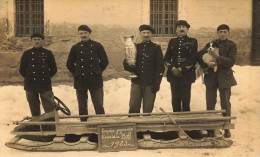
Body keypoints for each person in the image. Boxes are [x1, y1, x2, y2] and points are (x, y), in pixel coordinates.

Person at [198, 24, 237, 138]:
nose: (222, 34)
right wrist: (206, 63)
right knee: (210, 103)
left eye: (225, 32)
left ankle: (226, 127)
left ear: (229, 33)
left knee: (225, 103)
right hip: (211, 76)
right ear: (217, 33)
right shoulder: (211, 43)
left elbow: (231, 62)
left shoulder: (232, 45)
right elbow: (199, 55)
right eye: (220, 32)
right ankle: (211, 128)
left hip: (225, 77)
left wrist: (217, 56)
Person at [66, 25, 109, 121]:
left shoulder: (97, 46)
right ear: (78, 34)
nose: (83, 35)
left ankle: (101, 123)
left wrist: (97, 71)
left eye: (85, 33)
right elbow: (69, 64)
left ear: (89, 33)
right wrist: (77, 73)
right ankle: (83, 125)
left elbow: (105, 61)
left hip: (95, 79)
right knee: (82, 106)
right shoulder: (75, 48)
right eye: (81, 33)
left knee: (98, 104)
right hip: (80, 80)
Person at [123, 24, 164, 114]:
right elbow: (127, 61)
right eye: (143, 33)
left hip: (150, 83)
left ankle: (146, 128)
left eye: (148, 33)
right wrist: (129, 65)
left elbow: (160, 67)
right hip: (137, 82)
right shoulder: (135, 47)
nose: (146, 35)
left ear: (151, 34)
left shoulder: (156, 48)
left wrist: (157, 83)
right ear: (140, 34)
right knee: (133, 106)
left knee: (148, 108)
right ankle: (134, 126)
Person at [19, 33, 57, 117]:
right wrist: (30, 77)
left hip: (44, 84)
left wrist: (45, 77)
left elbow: (54, 69)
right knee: (34, 107)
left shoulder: (48, 53)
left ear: (42, 41)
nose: (37, 41)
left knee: (49, 106)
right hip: (31, 84)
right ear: (31, 41)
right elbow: (22, 70)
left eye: (39, 39)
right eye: (35, 39)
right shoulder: (27, 54)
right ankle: (36, 125)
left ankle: (51, 126)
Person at [164, 20, 198, 112]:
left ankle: (185, 122)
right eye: (179, 27)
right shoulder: (172, 41)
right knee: (175, 100)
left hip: (186, 74)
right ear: (176, 30)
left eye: (183, 27)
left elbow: (193, 58)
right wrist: (172, 68)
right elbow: (166, 58)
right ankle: (176, 122)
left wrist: (181, 69)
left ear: (187, 29)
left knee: (186, 100)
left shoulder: (193, 41)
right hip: (173, 74)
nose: (181, 29)